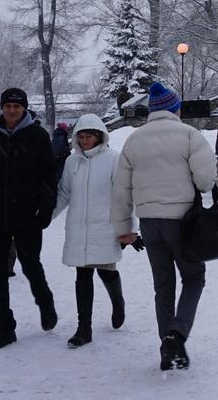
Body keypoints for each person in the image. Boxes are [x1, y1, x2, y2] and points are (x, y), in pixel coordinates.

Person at [113, 82, 216, 370]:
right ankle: (177, 333)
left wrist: (124, 226)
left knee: (163, 285)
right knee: (194, 277)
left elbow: (121, 188)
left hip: (149, 223)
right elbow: (205, 181)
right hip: (182, 222)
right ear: (174, 108)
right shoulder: (189, 135)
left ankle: (166, 349)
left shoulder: (133, 140)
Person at [0, 87, 59, 352]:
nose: (12, 110)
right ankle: (5, 327)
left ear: (24, 108)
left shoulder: (37, 136)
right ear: (2, 108)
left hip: (28, 215)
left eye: (17, 106)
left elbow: (48, 177)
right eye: (8, 106)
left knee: (30, 265)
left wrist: (45, 209)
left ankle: (45, 301)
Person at [54, 114, 125, 349]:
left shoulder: (114, 159)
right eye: (81, 136)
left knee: (106, 272)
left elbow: (123, 197)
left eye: (90, 136)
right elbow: (64, 193)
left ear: (99, 136)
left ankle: (118, 302)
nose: (85, 141)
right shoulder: (72, 163)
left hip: (105, 227)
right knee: (82, 277)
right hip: (79, 228)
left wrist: (128, 228)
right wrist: (45, 217)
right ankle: (84, 328)